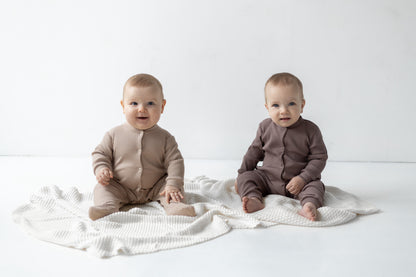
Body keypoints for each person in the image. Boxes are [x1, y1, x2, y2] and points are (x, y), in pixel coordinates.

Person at [89, 73, 196, 220]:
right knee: (103, 189)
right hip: (121, 186)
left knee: (172, 190)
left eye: (150, 103)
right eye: (134, 103)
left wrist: (173, 184)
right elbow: (100, 154)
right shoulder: (113, 135)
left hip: (156, 187)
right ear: (123, 106)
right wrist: (101, 168)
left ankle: (176, 207)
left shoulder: (165, 138)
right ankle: (106, 207)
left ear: (162, 106)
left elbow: (175, 162)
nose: (142, 109)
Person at [235, 72, 327, 221]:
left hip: (298, 182)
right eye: (276, 105)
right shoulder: (265, 127)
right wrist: (242, 173)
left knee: (317, 187)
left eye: (291, 103)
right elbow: (254, 152)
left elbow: (319, 158)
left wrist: (303, 178)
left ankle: (309, 205)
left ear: (302, 105)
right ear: (267, 107)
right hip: (267, 179)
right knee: (246, 178)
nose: (283, 110)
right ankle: (254, 199)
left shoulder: (311, 130)